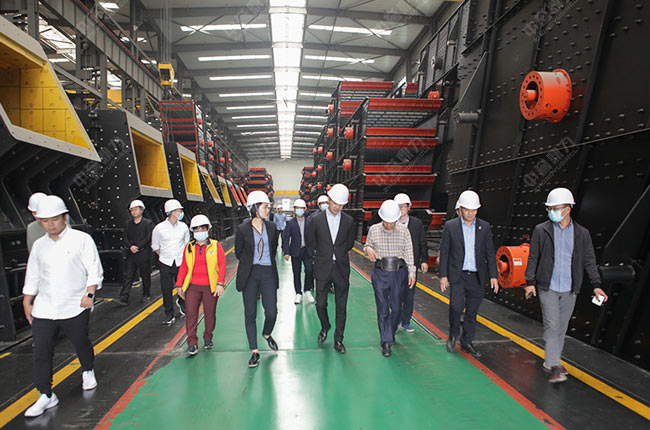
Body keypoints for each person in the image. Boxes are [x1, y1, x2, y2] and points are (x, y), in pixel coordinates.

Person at [22, 195, 103, 418]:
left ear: (64, 217)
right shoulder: (39, 246)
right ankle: (45, 394)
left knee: (80, 341)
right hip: (45, 307)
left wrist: (90, 293)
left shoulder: (81, 239)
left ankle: (87, 369)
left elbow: (93, 268)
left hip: (75, 304)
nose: (50, 224)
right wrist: (27, 300)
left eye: (54, 219)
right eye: (45, 221)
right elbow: (33, 274)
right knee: (41, 351)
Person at [524, 187, 607, 383]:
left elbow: (589, 261)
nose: (552, 212)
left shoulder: (582, 234)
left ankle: (550, 360)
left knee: (561, 327)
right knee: (552, 325)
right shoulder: (541, 230)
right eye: (550, 209)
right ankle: (555, 365)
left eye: (556, 208)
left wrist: (596, 285)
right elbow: (533, 257)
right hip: (548, 287)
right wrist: (529, 282)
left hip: (570, 289)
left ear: (568, 208)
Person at [439, 190, 498, 357]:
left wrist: (493, 276)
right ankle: (453, 334)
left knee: (472, 311)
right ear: (461, 209)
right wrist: (443, 276)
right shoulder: (451, 227)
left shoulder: (484, 227)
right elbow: (445, 252)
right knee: (456, 307)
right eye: (467, 209)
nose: (470, 213)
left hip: (476, 277)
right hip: (458, 275)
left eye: (474, 210)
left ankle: (467, 342)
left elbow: (490, 252)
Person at [305, 184, 356, 354]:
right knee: (321, 303)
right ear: (329, 199)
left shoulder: (348, 221)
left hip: (341, 268)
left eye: (341, 205)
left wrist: (338, 253)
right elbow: (310, 241)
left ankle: (338, 339)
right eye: (335, 203)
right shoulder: (316, 220)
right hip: (322, 267)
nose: (337, 207)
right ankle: (325, 326)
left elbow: (349, 243)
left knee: (341, 306)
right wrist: (323, 253)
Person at [364, 200, 416, 357]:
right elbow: (367, 245)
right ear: (381, 218)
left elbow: (408, 252)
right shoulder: (374, 230)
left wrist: (412, 272)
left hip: (398, 273)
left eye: (392, 222)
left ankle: (390, 333)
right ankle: (386, 341)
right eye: (386, 222)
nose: (389, 225)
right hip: (380, 273)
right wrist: (368, 249)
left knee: (397, 308)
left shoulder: (404, 231)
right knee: (383, 308)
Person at [235, 191, 280, 368]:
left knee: (272, 312)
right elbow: (239, 252)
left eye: (268, 207)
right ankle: (254, 351)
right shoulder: (242, 229)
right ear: (254, 208)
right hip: (250, 274)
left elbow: (273, 248)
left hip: (268, 272)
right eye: (264, 207)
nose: (268, 210)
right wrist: (250, 263)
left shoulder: (272, 228)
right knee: (250, 313)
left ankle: (267, 334)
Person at [176, 215, 226, 356]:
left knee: (210, 314)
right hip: (192, 287)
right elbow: (184, 267)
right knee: (191, 314)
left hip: (210, 287)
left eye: (202, 228)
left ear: (208, 229)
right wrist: (179, 285)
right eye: (196, 229)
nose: (199, 232)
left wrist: (220, 283)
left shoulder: (215, 245)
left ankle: (208, 337)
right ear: (192, 231)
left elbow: (222, 265)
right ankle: (192, 343)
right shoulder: (189, 247)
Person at [394, 193, 429, 333]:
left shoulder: (416, 224)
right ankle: (395, 321)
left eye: (404, 206)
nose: (401, 209)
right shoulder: (391, 222)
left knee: (409, 295)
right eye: (399, 206)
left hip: (411, 265)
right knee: (395, 295)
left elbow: (422, 242)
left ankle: (406, 322)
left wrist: (424, 260)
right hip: (395, 266)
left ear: (409, 208)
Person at [152, 199, 189, 325]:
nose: (181, 213)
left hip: (180, 262)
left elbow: (186, 245)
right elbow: (155, 246)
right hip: (165, 263)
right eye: (179, 210)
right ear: (172, 212)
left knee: (183, 287)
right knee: (166, 290)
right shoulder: (159, 228)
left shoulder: (183, 227)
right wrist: (164, 256)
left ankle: (184, 308)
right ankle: (169, 314)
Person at [116, 200, 154, 305]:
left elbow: (148, 237)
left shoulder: (148, 223)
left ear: (141, 210)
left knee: (145, 275)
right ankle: (124, 297)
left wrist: (138, 247)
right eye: (132, 210)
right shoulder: (128, 223)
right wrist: (130, 246)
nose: (134, 212)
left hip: (143, 254)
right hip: (131, 254)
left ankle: (146, 294)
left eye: (136, 209)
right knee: (128, 275)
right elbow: (125, 237)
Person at [283, 199, 314, 304]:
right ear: (294, 209)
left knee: (309, 270)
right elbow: (286, 238)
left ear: (305, 209)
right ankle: (298, 293)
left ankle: (307, 290)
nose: (300, 210)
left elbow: (313, 237)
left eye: (301, 208)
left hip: (307, 250)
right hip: (295, 251)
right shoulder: (290, 223)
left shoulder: (310, 222)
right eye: (297, 208)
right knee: (296, 272)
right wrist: (286, 252)